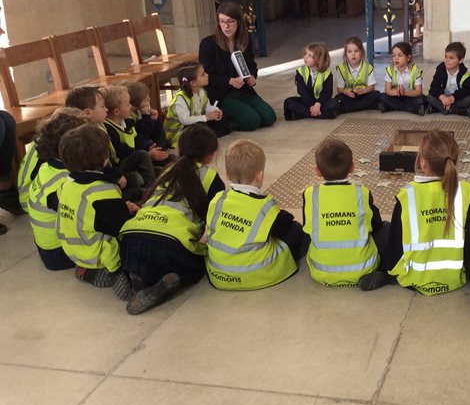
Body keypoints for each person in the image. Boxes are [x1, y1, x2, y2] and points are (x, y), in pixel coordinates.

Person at [359, 130, 470, 294]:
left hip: (414, 278)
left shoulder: (407, 195)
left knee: (384, 230)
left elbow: (396, 246)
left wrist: (389, 267)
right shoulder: (464, 193)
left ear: (423, 162)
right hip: (454, 278)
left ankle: (387, 274)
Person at [120, 124, 225, 314]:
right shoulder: (211, 178)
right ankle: (169, 280)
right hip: (170, 246)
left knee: (143, 257)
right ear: (211, 155)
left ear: (179, 148)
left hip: (131, 240)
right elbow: (216, 219)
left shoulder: (166, 171)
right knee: (200, 266)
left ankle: (138, 277)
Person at [206, 140, 308, 290]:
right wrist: (280, 212)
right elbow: (285, 225)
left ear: (226, 174)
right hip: (256, 274)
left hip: (218, 274)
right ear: (260, 175)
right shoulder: (265, 206)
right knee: (296, 230)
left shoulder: (218, 200)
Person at [55, 123, 135, 300]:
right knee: (132, 239)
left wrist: (120, 205)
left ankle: (86, 269)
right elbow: (122, 227)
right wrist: (131, 212)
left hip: (72, 250)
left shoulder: (66, 184)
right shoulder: (102, 192)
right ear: (105, 157)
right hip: (98, 253)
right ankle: (116, 274)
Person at [302, 138, 386, 287]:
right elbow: (375, 224)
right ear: (352, 167)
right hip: (364, 269)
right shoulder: (362, 192)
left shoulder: (310, 194)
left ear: (318, 171)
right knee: (386, 228)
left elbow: (308, 228)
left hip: (321, 271)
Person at [199, 1, 277, 131]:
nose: (226, 26)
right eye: (222, 21)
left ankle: (243, 111)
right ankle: (225, 122)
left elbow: (251, 65)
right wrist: (229, 81)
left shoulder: (245, 40)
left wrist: (252, 76)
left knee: (269, 117)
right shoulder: (208, 44)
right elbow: (207, 77)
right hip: (221, 95)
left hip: (243, 90)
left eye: (230, 21)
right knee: (252, 121)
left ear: (239, 22)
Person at [27, 109, 88, 269]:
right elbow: (82, 216)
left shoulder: (47, 167)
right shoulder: (64, 180)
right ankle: (89, 271)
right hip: (58, 252)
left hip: (47, 247)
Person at [101, 85, 157, 199]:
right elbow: (121, 151)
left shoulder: (127, 121)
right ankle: (151, 189)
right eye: (128, 104)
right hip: (119, 165)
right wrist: (146, 153)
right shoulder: (109, 128)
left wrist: (148, 146)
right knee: (141, 162)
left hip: (131, 159)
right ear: (117, 111)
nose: (131, 106)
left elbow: (136, 138)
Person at [164, 62, 230, 147]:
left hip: (195, 122)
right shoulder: (181, 98)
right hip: (178, 131)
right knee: (201, 128)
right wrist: (206, 117)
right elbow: (185, 120)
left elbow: (206, 107)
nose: (207, 75)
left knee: (220, 122)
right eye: (203, 74)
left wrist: (215, 111)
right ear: (193, 83)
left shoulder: (202, 91)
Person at [284, 42, 339, 120]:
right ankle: (321, 114)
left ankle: (301, 114)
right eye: (306, 54)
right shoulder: (301, 71)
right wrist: (311, 106)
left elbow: (327, 93)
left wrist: (318, 104)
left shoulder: (327, 73)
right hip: (305, 101)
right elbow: (302, 91)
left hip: (320, 102)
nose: (305, 57)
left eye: (309, 55)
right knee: (288, 102)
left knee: (334, 102)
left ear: (319, 59)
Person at [426, 41, 470, 116]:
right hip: (443, 97)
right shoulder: (440, 69)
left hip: (456, 99)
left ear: (460, 60)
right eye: (446, 57)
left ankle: (443, 109)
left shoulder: (464, 73)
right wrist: (442, 97)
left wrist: (452, 98)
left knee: (469, 99)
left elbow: (468, 90)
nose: (447, 60)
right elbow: (433, 87)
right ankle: (457, 110)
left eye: (451, 58)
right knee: (429, 97)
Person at [334, 36, 381, 113]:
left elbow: (372, 87)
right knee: (338, 98)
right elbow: (339, 89)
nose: (353, 54)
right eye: (349, 51)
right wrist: (346, 92)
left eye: (356, 51)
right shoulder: (341, 69)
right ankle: (367, 106)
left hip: (363, 95)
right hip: (349, 96)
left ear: (361, 52)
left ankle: (348, 108)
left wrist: (364, 90)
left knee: (376, 94)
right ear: (346, 54)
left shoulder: (368, 67)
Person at [379, 41, 425, 115]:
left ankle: (393, 107)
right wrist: (396, 92)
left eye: (400, 55)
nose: (396, 58)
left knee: (421, 99)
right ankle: (411, 109)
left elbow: (418, 91)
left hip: (410, 96)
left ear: (408, 58)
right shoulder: (390, 69)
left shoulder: (415, 70)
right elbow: (387, 90)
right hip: (395, 96)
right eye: (393, 56)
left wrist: (405, 93)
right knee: (382, 97)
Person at [125, 80, 169, 153]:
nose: (149, 99)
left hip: (150, 144)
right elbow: (143, 135)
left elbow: (157, 133)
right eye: (146, 100)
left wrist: (155, 120)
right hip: (141, 148)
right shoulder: (129, 118)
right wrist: (146, 116)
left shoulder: (139, 112)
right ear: (135, 104)